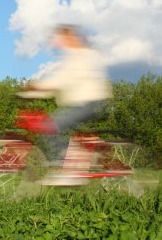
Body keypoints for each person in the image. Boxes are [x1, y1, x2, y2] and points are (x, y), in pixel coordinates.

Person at [19, 25, 112, 185]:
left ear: (71, 37)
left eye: (60, 38)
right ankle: (77, 163)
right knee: (59, 128)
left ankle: (64, 171)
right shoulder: (73, 56)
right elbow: (58, 83)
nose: (58, 42)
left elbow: (62, 80)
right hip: (81, 102)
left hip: (89, 101)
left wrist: (37, 87)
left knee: (51, 126)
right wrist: (30, 93)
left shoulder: (83, 55)